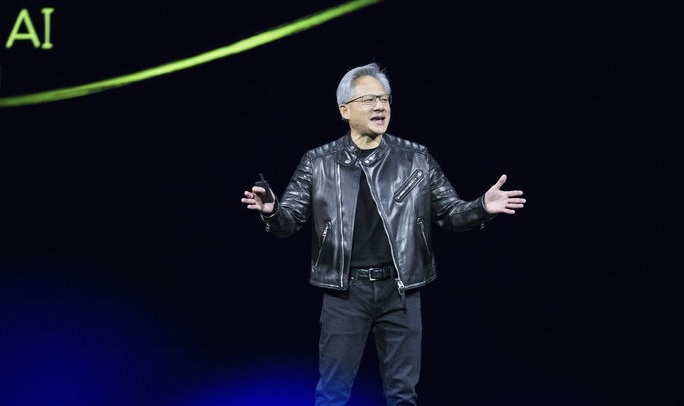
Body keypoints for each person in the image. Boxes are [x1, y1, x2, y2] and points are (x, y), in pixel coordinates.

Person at [240, 62, 526, 406]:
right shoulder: (318, 162)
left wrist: (482, 206)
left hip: (400, 291)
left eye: (384, 99)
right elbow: (289, 222)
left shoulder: (416, 158)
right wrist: (272, 211)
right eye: (369, 99)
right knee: (332, 394)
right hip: (345, 292)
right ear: (345, 110)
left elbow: (451, 213)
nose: (380, 106)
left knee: (403, 395)